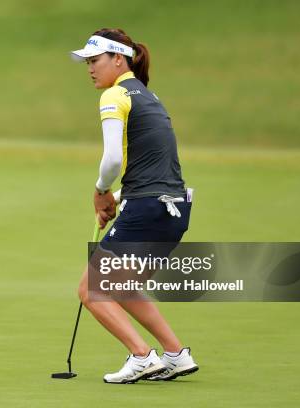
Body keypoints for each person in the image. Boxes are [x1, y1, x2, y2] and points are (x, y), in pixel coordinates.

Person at [71, 28, 199, 384]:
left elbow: (112, 159)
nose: (90, 69)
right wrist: (114, 200)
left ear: (118, 58)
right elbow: (151, 170)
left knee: (91, 289)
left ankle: (142, 357)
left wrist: (100, 190)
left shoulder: (115, 95)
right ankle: (175, 354)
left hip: (147, 209)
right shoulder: (148, 96)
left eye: (94, 60)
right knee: (121, 285)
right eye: (87, 62)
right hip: (173, 210)